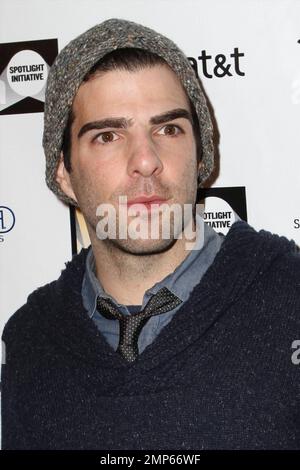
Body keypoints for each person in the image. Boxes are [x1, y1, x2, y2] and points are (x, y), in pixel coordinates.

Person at [1, 18, 300, 451]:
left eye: (168, 129)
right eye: (108, 135)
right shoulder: (29, 340)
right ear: (64, 174)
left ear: (202, 155)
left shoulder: (290, 300)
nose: (145, 160)